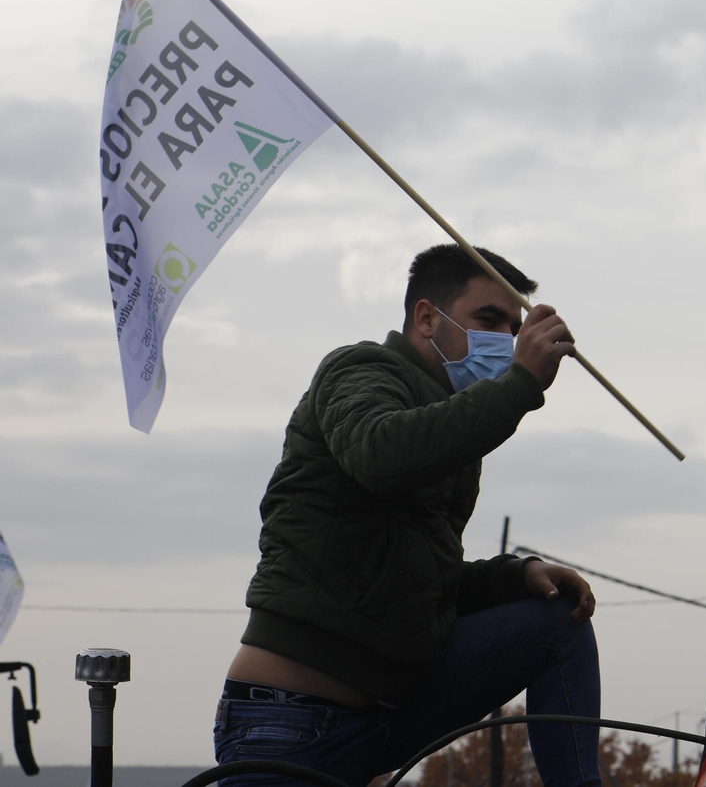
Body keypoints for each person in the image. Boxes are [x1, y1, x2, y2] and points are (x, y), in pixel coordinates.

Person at [214, 244, 600, 787]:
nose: (504, 344)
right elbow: (380, 454)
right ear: (426, 318)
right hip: (290, 717)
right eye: (487, 321)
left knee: (559, 619)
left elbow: (416, 587)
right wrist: (519, 385)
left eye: (511, 331)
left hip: (384, 716)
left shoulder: (450, 429)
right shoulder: (360, 369)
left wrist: (513, 577)